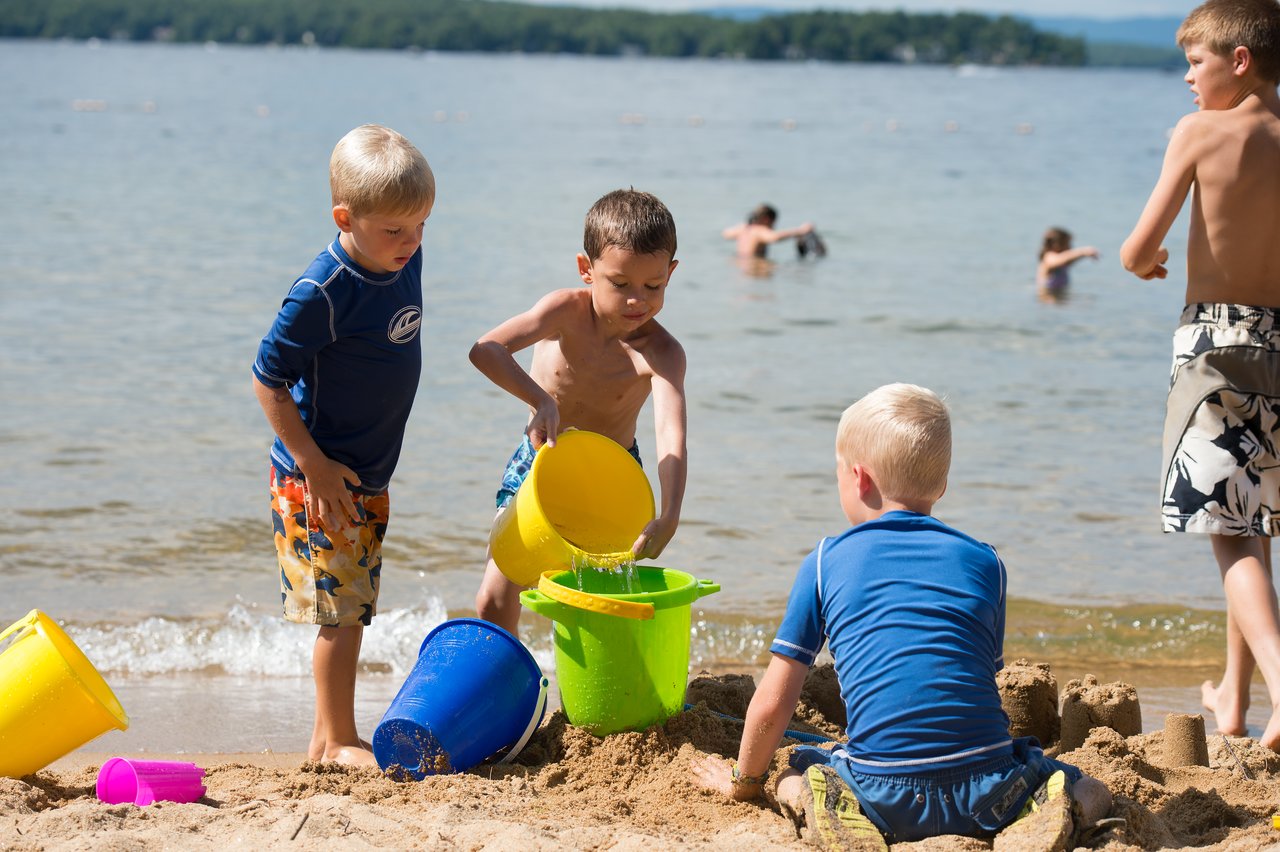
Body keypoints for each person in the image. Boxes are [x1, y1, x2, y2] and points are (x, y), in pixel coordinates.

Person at [691, 384, 1112, 847]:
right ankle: (1058, 816)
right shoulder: (986, 561)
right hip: (990, 794)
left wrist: (743, 782)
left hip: (881, 794)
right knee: (1091, 786)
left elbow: (773, 703)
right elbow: (976, 677)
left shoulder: (826, 560)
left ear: (860, 479)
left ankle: (824, 811)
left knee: (796, 770)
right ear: (942, 485)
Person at [1119, 0, 1280, 750]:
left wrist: (1147, 262)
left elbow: (1136, 247)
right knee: (1255, 523)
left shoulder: (1201, 132)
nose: (1187, 77)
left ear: (1239, 60)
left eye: (1197, 61)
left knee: (1229, 535)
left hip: (1215, 348)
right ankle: (1232, 704)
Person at [252, 124, 435, 767]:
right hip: (320, 476)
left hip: (366, 474)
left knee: (353, 604)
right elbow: (267, 378)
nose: (411, 245)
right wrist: (315, 466)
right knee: (341, 612)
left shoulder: (398, 253)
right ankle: (339, 742)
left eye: (420, 228)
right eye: (394, 232)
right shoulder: (322, 291)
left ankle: (320, 747)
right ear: (344, 218)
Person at [470, 188, 688, 635]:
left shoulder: (662, 352)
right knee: (493, 597)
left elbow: (671, 436)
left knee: (597, 608)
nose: (637, 301)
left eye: (654, 286)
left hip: (609, 479)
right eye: (620, 284)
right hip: (541, 461)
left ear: (671, 273)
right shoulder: (563, 312)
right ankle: (508, 687)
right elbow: (486, 350)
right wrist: (539, 399)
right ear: (586, 270)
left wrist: (670, 514)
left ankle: (590, 697)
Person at [722, 204, 816, 260]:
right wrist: (801, 230)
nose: (773, 227)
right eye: (773, 223)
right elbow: (774, 237)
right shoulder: (759, 230)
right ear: (767, 219)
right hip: (756, 265)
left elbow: (725, 233)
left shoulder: (743, 228)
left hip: (740, 263)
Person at [1036, 227, 1098, 301]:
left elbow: (1068, 260)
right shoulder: (1049, 257)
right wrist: (1083, 252)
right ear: (1057, 245)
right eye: (1068, 244)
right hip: (1048, 297)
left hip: (1059, 295)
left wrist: (1085, 255)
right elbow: (1061, 260)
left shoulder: (1062, 263)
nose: (1070, 247)